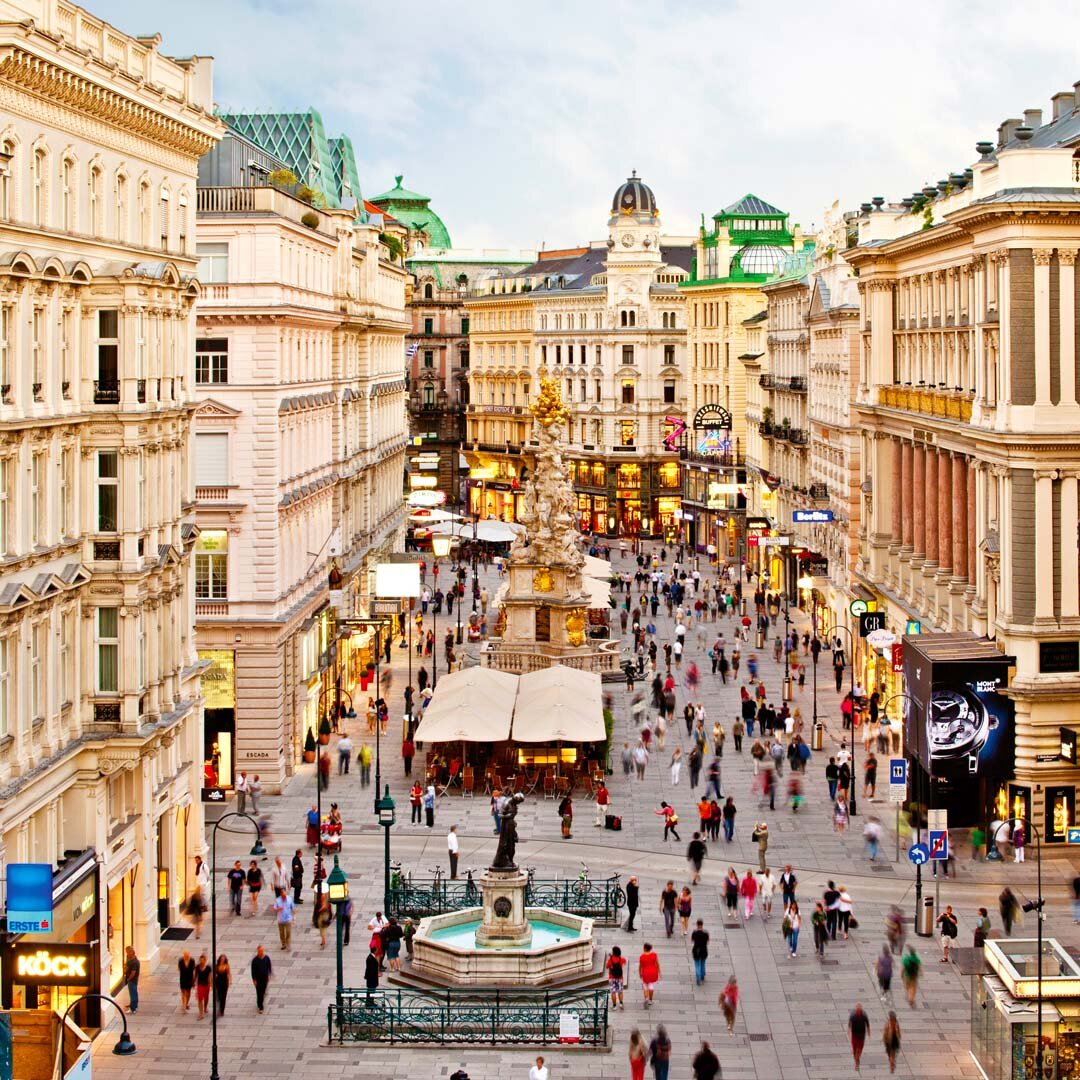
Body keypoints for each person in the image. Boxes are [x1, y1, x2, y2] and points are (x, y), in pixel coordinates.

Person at [250, 945, 272, 1013]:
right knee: (259, 992)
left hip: (264, 978)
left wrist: (269, 974)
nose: (261, 952)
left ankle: (260, 1000)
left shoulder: (266, 958)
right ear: (257, 951)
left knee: (263, 991)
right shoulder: (254, 960)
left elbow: (269, 967)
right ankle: (260, 1006)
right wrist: (254, 979)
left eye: (262, 951)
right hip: (258, 979)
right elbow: (253, 970)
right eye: (260, 951)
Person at [638, 943, 660, 1009]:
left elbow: (640, 966)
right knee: (651, 985)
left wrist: (640, 973)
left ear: (644, 948)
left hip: (645, 972)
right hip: (653, 972)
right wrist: (659, 971)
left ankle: (646, 998)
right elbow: (657, 964)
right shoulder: (654, 955)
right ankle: (650, 1000)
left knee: (645, 986)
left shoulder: (642, 957)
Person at [848, 1003, 870, 1071]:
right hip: (854, 1034)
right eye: (857, 1010)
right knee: (855, 1049)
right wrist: (849, 1032)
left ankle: (857, 1061)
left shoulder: (864, 1016)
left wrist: (869, 1032)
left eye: (859, 1010)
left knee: (860, 1049)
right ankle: (856, 1059)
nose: (858, 1012)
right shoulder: (853, 1016)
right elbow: (849, 1024)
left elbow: (867, 1024)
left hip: (862, 1034)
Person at [691, 919, 709, 985]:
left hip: (696, 950)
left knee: (697, 964)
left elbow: (692, 941)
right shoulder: (706, 933)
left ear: (697, 924)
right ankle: (702, 976)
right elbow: (708, 942)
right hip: (704, 950)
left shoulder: (694, 932)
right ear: (702, 925)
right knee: (703, 963)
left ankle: (698, 978)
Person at [194, 952, 211, 1019]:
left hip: (206, 985)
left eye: (203, 960)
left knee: (206, 998)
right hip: (200, 984)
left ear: (205, 960)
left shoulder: (208, 968)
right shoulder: (197, 967)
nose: (201, 961)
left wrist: (211, 985)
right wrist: (193, 982)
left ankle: (205, 1007)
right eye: (200, 960)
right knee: (200, 999)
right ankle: (201, 1013)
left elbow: (210, 977)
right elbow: (195, 975)